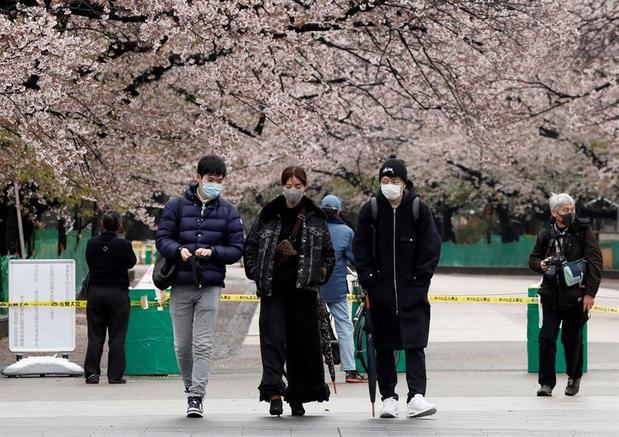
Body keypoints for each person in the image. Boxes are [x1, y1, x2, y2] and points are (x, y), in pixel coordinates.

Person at [156, 155, 244, 418]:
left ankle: (197, 395)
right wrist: (179, 250)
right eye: (210, 180)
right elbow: (162, 239)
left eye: (219, 181)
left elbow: (236, 248)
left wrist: (213, 252)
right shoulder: (176, 206)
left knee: (203, 343)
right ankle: (189, 386)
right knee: (182, 345)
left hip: (210, 285)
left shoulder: (229, 211)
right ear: (198, 178)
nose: (214, 185)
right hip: (180, 284)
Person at [353, 158, 441, 419]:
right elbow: (360, 247)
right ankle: (388, 398)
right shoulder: (370, 210)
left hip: (411, 290)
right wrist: (368, 279)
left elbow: (431, 246)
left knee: (415, 344)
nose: (389, 186)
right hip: (380, 292)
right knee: (384, 345)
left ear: (404, 183)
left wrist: (421, 278)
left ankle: (416, 396)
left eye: (395, 181)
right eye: (385, 181)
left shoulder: (418, 209)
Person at [243, 166, 335, 417]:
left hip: (303, 291)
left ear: (305, 187)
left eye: (298, 185)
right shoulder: (269, 214)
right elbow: (250, 247)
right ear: (282, 185)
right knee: (272, 340)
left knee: (301, 344)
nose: (292, 190)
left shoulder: (316, 216)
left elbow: (328, 254)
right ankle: (273, 392)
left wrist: (319, 275)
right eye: (289, 185)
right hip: (273, 289)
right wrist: (256, 272)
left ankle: (298, 394)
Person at [529, 193, 602, 397]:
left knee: (571, 341)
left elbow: (596, 263)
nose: (570, 213)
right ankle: (546, 383)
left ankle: (573, 377)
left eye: (572, 209)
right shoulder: (545, 234)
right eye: (565, 210)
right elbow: (533, 258)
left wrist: (590, 293)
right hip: (551, 295)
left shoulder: (583, 232)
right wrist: (540, 265)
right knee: (546, 339)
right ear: (554, 213)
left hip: (576, 297)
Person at [84, 211, 137, 384]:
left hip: (96, 292)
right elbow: (131, 263)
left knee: (95, 335)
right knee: (117, 335)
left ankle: (92, 373)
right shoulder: (124, 245)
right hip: (118, 294)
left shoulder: (91, 244)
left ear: (102, 224)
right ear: (119, 226)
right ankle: (115, 375)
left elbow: (90, 261)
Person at [319, 195, 367, 383]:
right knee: (344, 328)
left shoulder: (312, 228)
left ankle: (307, 371)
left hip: (312, 288)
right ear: (339, 211)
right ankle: (350, 370)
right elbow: (354, 258)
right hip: (336, 288)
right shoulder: (346, 232)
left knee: (309, 329)